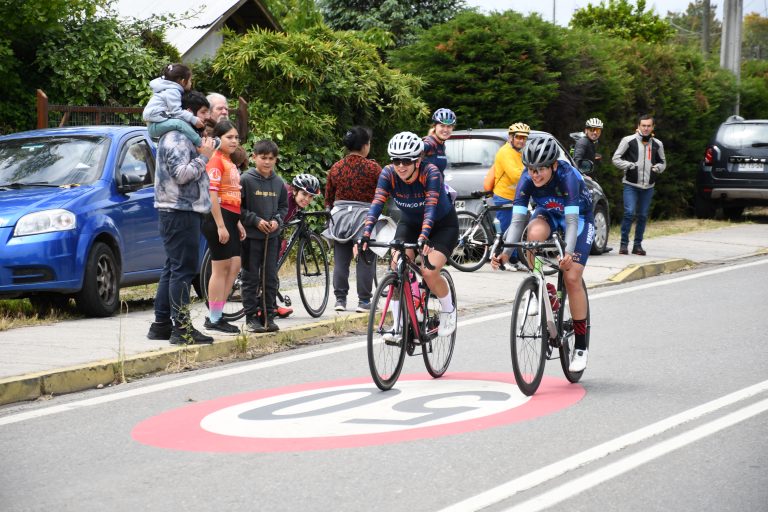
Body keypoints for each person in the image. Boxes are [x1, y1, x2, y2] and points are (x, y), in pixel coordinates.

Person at [490, 135, 594, 372]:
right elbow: (517, 221)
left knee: (572, 277)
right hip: (548, 213)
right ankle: (540, 287)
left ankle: (580, 346)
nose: (535, 175)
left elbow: (571, 221)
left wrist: (568, 253)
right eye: (531, 169)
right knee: (532, 236)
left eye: (541, 170)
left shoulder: (568, 177)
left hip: (578, 218)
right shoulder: (526, 179)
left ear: (554, 165)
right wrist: (506, 253)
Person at [360, 131, 459, 340]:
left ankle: (448, 309)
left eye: (406, 160)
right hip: (411, 223)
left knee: (429, 272)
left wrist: (424, 237)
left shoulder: (430, 172)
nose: (401, 165)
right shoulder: (388, 174)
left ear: (417, 160)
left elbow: (430, 207)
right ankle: (398, 325)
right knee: (397, 266)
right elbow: (377, 203)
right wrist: (366, 233)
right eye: (396, 160)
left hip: (442, 225)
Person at [146, 90, 216, 345]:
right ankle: (182, 329)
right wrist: (204, 158)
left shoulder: (184, 136)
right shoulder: (176, 138)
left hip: (181, 210)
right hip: (179, 211)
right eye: (203, 113)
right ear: (188, 112)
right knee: (183, 270)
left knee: (173, 267)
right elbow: (182, 174)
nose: (205, 118)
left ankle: (161, 324)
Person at [324, 126, 382, 313]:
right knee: (365, 257)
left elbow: (328, 197)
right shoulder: (373, 168)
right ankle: (364, 301)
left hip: (340, 216)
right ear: (365, 146)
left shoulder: (336, 167)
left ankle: (340, 300)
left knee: (341, 259)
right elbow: (383, 194)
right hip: (365, 216)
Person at [201, 119, 246, 335]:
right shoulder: (216, 160)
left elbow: (232, 194)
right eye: (229, 137)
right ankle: (214, 317)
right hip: (217, 219)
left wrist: (237, 222)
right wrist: (221, 225)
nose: (234, 141)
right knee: (220, 269)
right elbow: (212, 194)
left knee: (234, 265)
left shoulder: (228, 160)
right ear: (218, 139)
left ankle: (217, 313)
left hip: (230, 218)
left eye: (236, 137)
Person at [240, 140, 288, 333]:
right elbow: (238, 208)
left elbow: (283, 207)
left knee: (270, 278)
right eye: (263, 158)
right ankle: (251, 317)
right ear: (254, 157)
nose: (267, 162)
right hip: (251, 237)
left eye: (271, 158)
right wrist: (255, 220)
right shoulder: (245, 180)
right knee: (250, 277)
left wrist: (277, 220)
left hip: (272, 238)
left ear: (276, 159)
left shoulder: (279, 182)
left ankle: (268, 315)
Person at [612, 114, 666, 256]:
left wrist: (657, 168)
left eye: (649, 126)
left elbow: (663, 162)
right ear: (638, 126)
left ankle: (637, 246)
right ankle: (624, 244)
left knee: (642, 215)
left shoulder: (658, 144)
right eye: (643, 125)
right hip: (631, 184)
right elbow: (616, 159)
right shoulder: (628, 140)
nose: (646, 128)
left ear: (653, 127)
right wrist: (629, 165)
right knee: (629, 213)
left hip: (648, 186)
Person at [142, 63, 204, 147]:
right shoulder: (173, 91)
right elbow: (176, 112)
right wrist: (194, 119)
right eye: (190, 80)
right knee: (179, 124)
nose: (191, 83)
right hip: (154, 126)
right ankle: (201, 143)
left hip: (155, 123)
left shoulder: (168, 88)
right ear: (183, 81)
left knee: (182, 121)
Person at [491, 122, 530, 234]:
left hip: (517, 196)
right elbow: (516, 176)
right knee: (508, 233)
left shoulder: (519, 152)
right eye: (518, 137)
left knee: (517, 231)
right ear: (511, 137)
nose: (521, 141)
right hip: (505, 197)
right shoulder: (506, 152)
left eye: (524, 138)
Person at [422, 108, 456, 173]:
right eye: (442, 126)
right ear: (434, 126)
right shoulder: (429, 143)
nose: (445, 130)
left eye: (449, 126)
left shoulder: (441, 144)